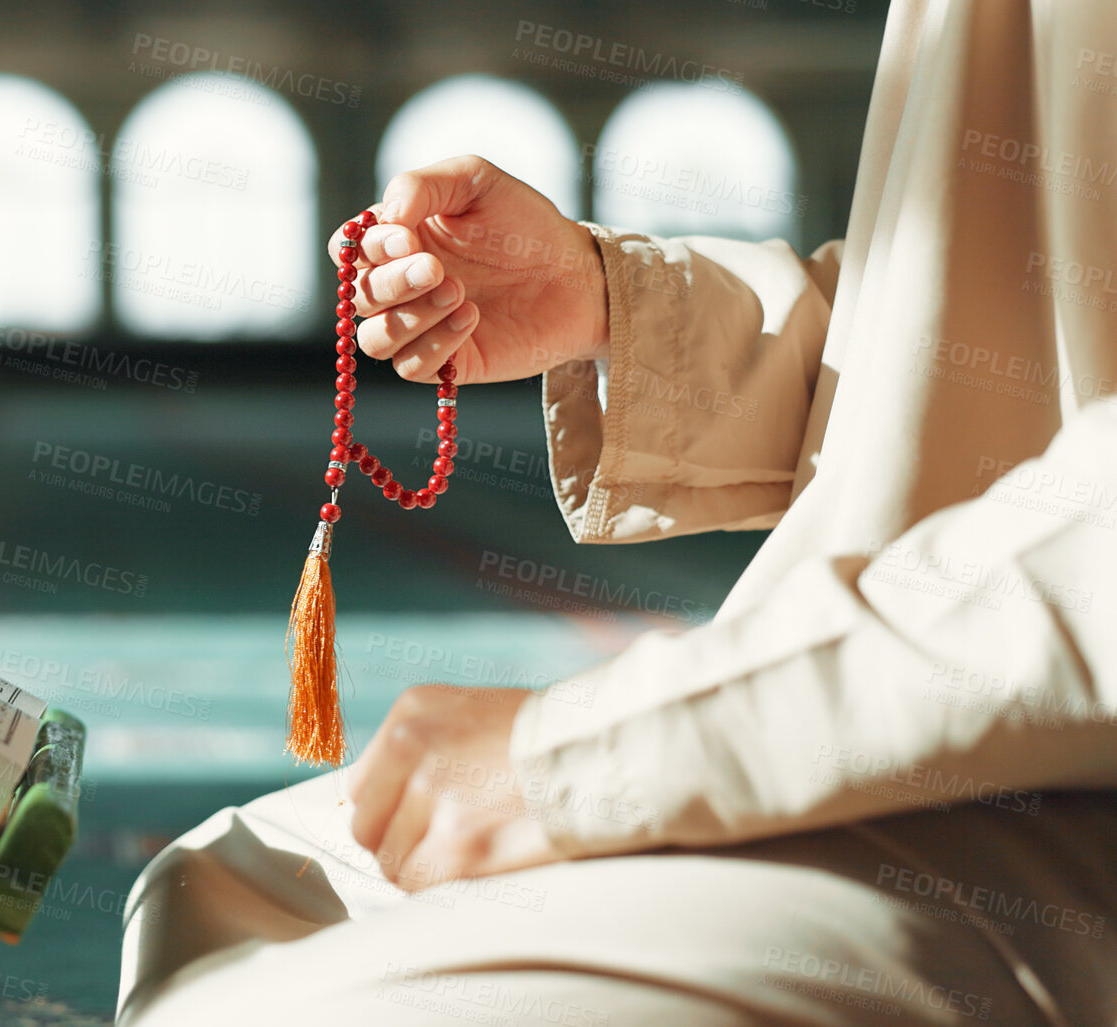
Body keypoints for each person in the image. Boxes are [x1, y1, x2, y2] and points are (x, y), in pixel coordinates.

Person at [117, 2, 1117, 1024]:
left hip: (1049, 773)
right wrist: (603, 297)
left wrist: (583, 754)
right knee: (227, 882)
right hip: (937, 718)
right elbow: (1004, 345)